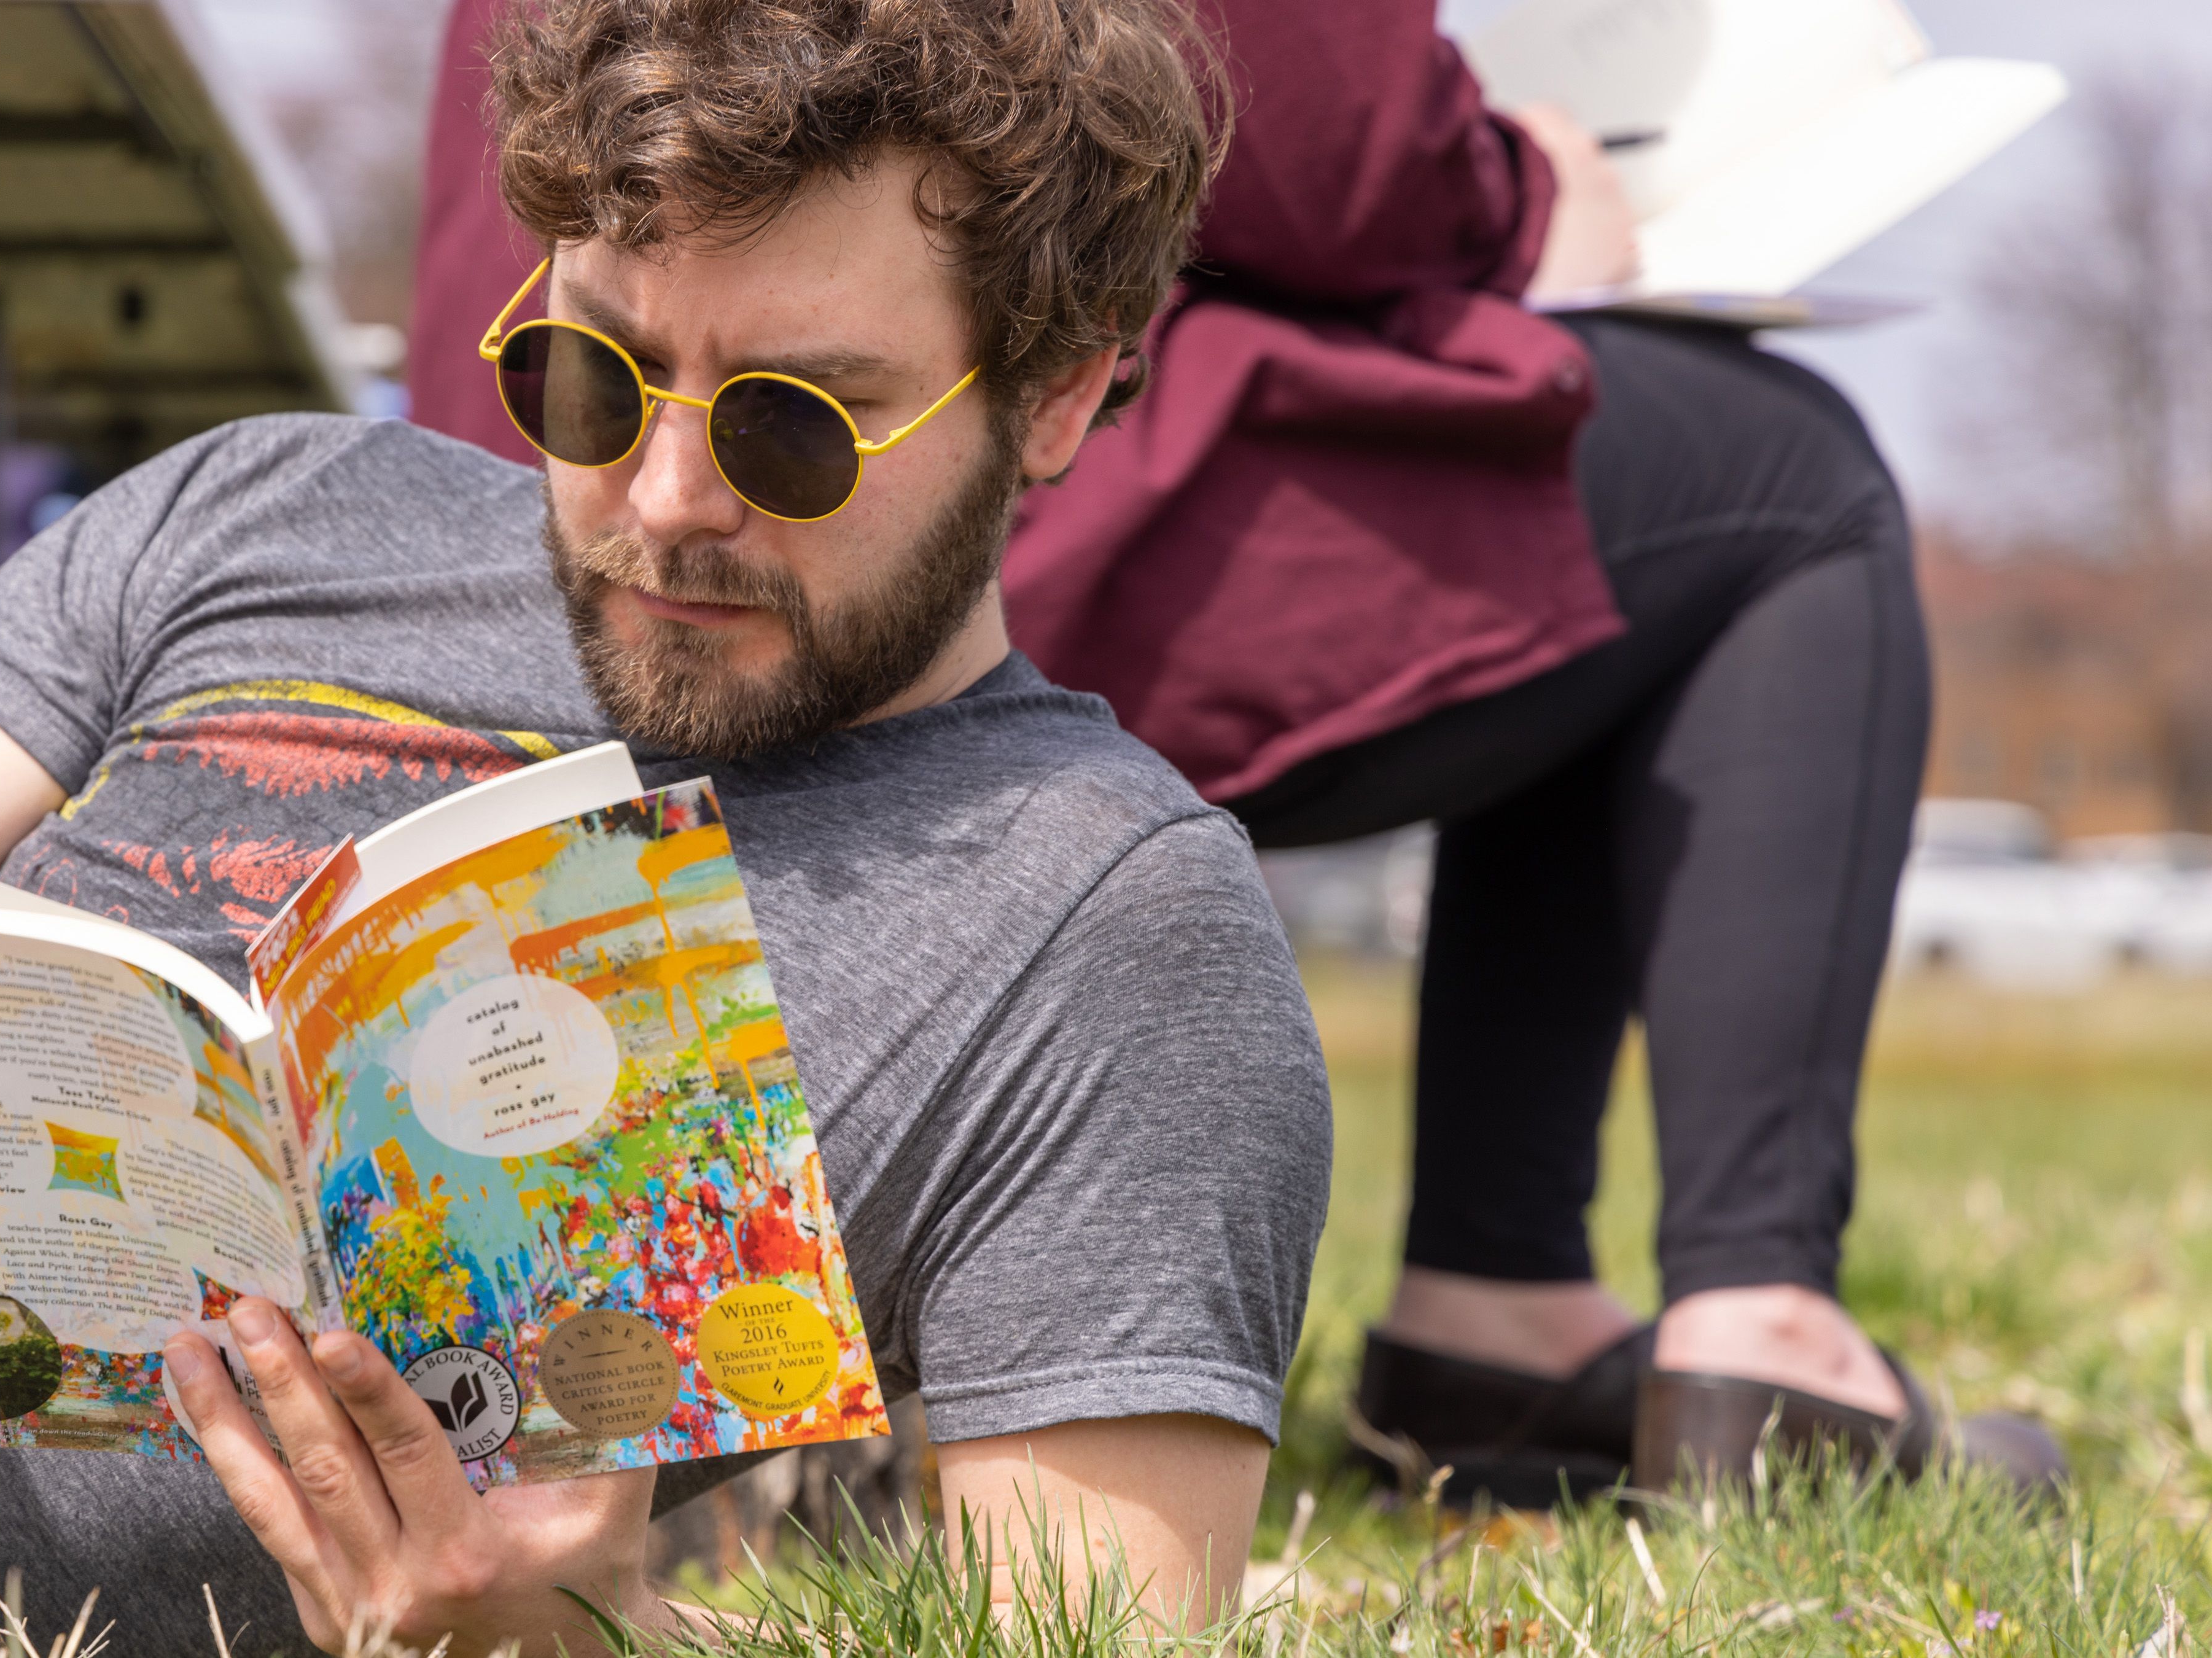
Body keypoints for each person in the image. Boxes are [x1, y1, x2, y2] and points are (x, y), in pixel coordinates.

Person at [0, 1, 1329, 1650]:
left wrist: (556, 1641)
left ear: (1063, 390)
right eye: (589, 381)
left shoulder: (1105, 933)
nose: (666, 500)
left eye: (793, 428)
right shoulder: (280, 502)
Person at [392, 0, 2065, 1503]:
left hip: (534, 422)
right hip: (885, 475)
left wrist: (595, 386)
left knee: (1575, 486)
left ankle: (1504, 1307)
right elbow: (1327, 128)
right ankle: (1745, 1322)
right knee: (1775, 485)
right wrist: (1522, 193)